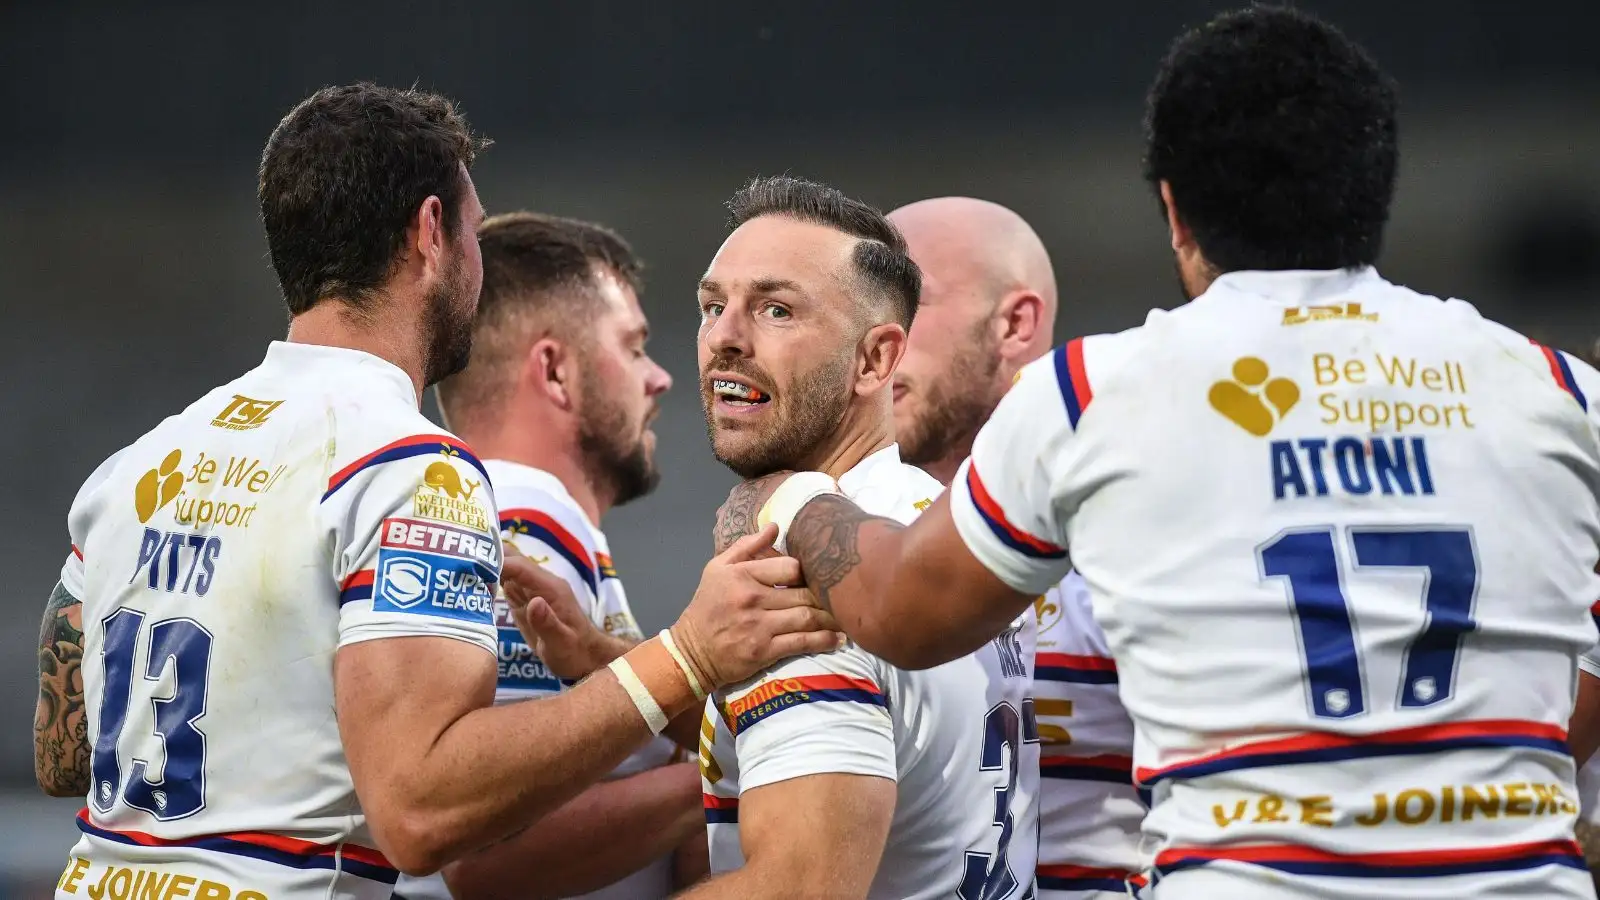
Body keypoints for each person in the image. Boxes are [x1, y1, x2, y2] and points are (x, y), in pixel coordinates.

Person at [731, 8, 1600, 898]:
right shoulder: (1562, 393)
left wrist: (798, 495)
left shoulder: (1099, 395)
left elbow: (903, 615)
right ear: (1378, 184)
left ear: (1175, 209)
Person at [32, 84, 837, 900]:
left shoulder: (134, 467)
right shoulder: (412, 470)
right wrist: (688, 655)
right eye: (473, 231)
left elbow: (63, 755)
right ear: (430, 235)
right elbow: (420, 816)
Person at [684, 175, 1038, 899]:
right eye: (712, 306)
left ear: (876, 360)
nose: (723, 337)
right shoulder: (944, 529)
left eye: (776, 310)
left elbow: (798, 887)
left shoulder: (803, 580)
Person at [409, 211, 702, 900]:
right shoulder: (525, 516)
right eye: (633, 348)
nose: (659, 378)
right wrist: (744, 772)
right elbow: (484, 854)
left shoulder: (488, 509)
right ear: (556, 370)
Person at [889, 196, 1145, 899]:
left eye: (906, 300)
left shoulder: (1134, 516)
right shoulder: (851, 526)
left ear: (1014, 323)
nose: (874, 340)